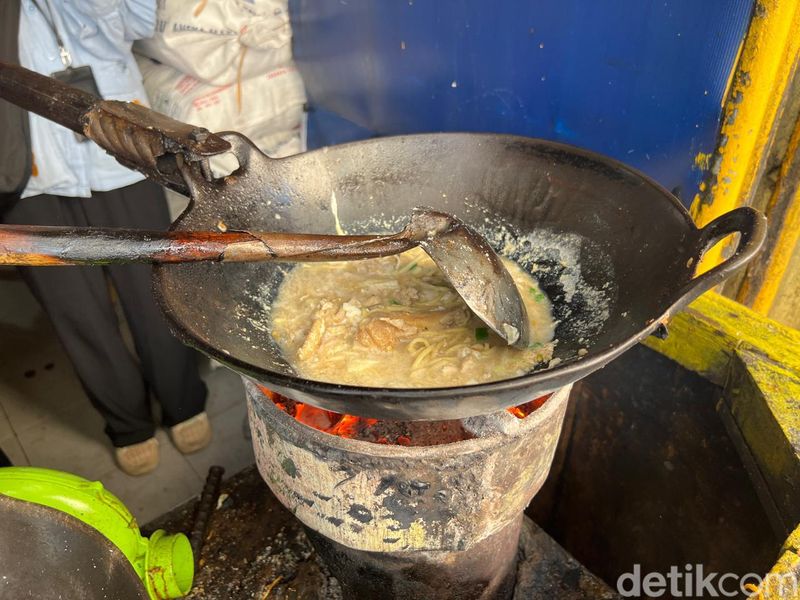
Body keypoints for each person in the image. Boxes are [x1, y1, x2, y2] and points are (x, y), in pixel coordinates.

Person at [0, 0, 211, 476]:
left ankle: (183, 401)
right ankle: (127, 424)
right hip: (27, 173)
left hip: (118, 158)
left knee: (156, 291)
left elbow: (139, 19)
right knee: (76, 311)